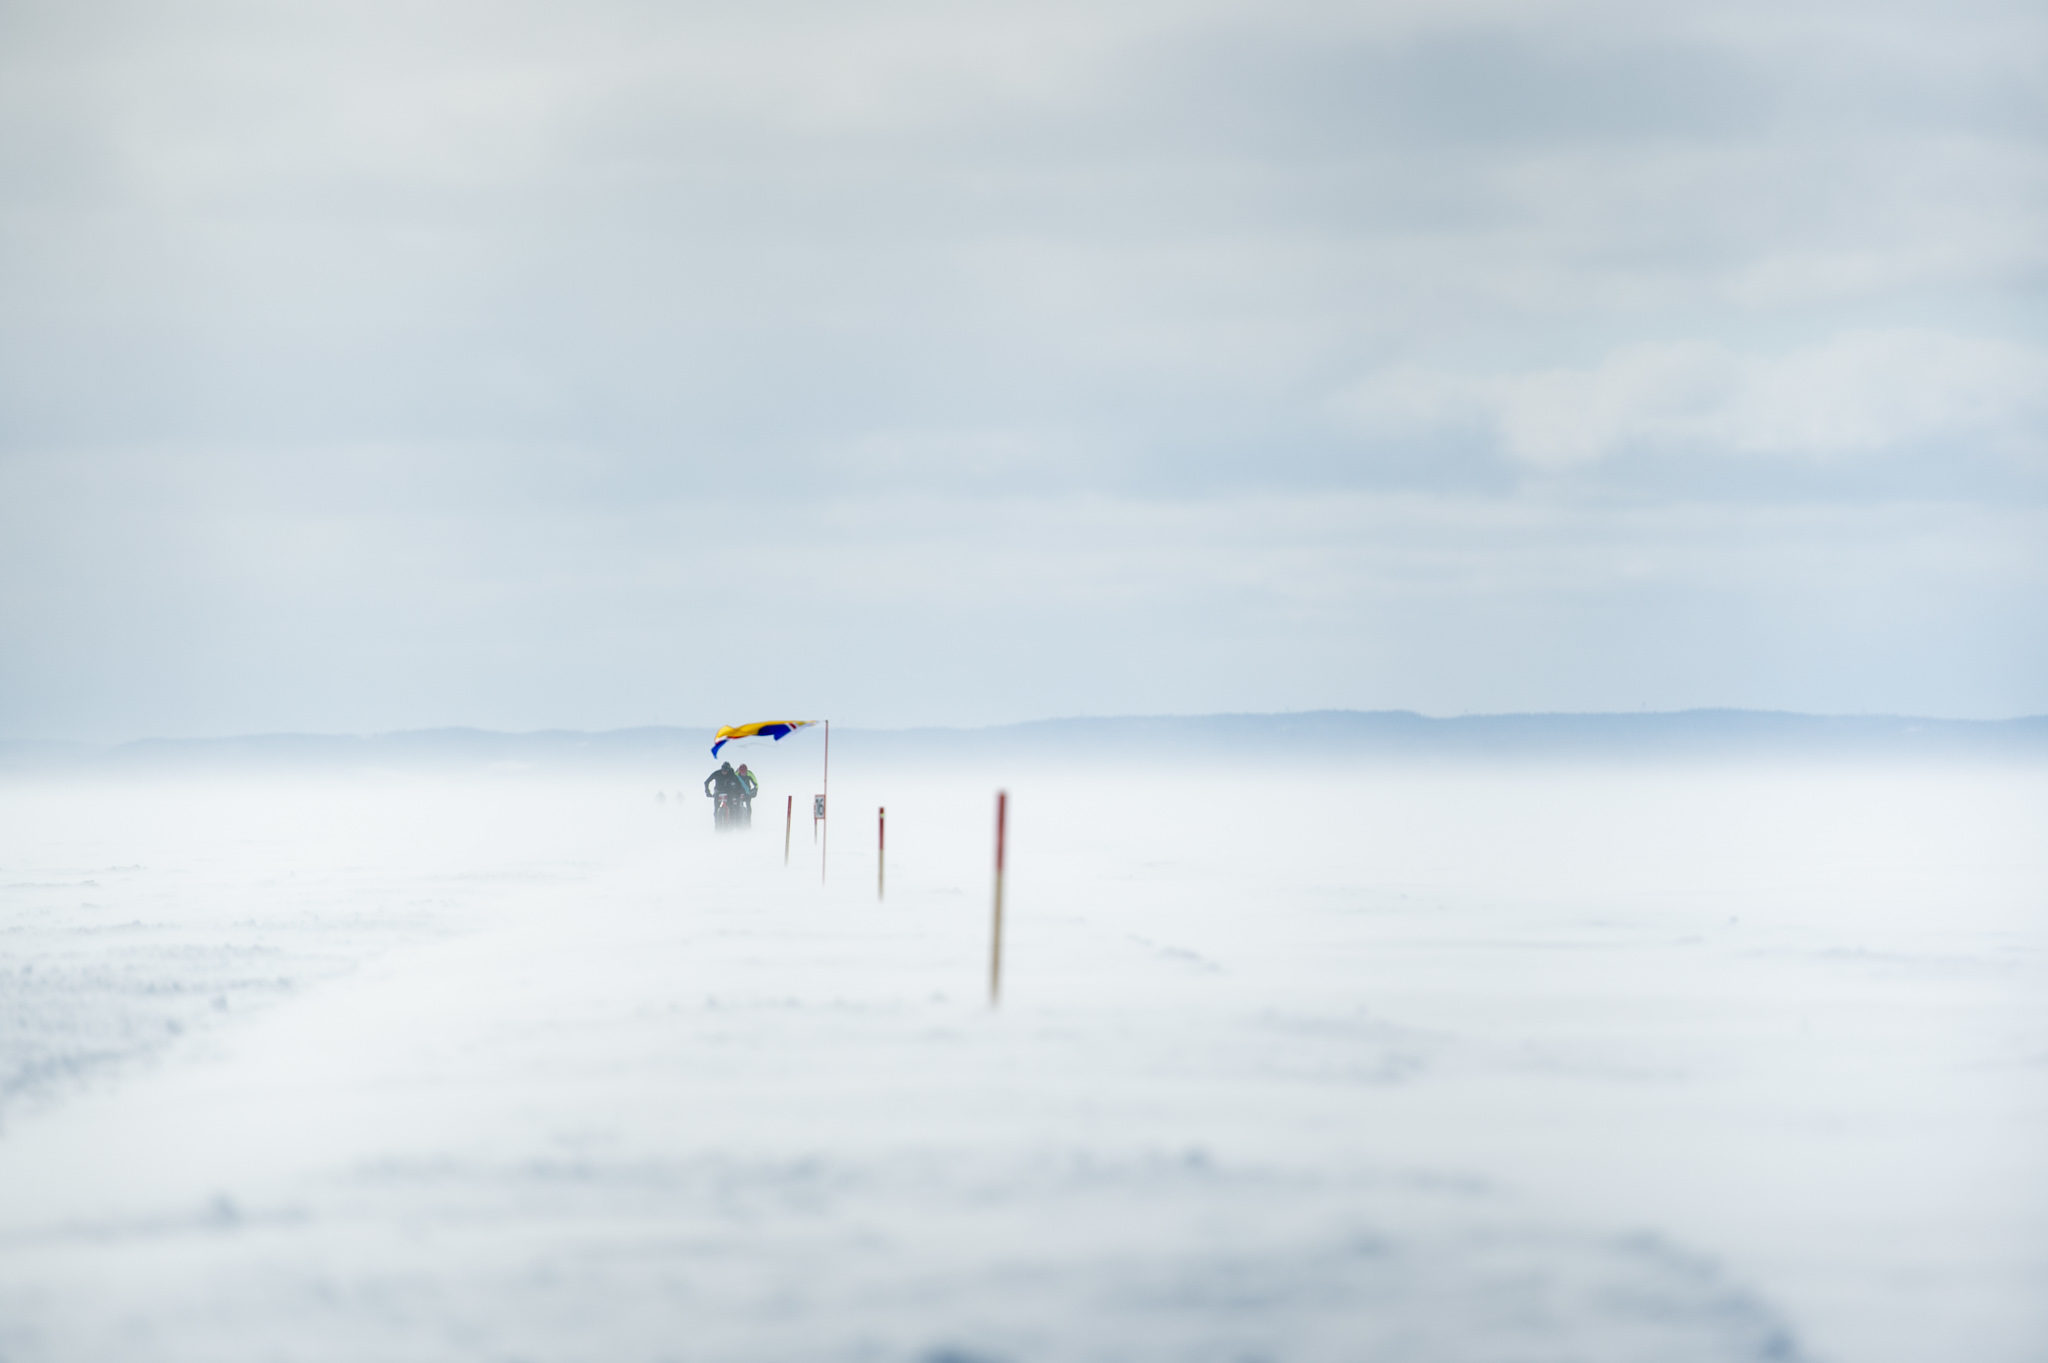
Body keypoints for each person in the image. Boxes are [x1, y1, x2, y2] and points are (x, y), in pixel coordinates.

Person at [704, 761, 752, 828]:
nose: (724, 772)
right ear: (721, 769)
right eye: (723, 771)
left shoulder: (732, 774)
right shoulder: (717, 773)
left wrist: (741, 792)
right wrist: (707, 791)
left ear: (729, 770)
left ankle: (732, 824)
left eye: (726, 771)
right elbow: (706, 782)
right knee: (716, 810)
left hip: (729, 793)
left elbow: (739, 784)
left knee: (732, 807)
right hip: (718, 792)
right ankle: (717, 826)